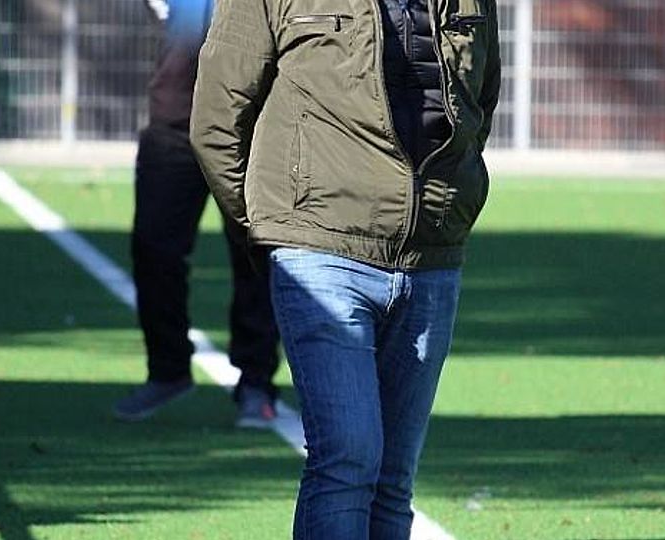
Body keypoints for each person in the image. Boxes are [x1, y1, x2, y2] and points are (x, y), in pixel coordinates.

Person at [190, 0, 501, 537]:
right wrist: (273, 229)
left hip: (431, 258)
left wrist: (452, 204)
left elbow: (481, 101)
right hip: (319, 250)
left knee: (393, 479)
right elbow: (216, 120)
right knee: (348, 456)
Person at [113, 0, 282, 428]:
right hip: (174, 123)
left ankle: (256, 381)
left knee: (256, 255)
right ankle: (167, 370)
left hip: (252, 127)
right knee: (153, 248)